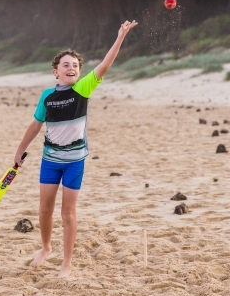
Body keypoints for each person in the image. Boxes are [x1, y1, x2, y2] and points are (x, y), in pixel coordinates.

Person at [14, 20, 138, 278]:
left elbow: (105, 64)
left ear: (79, 72)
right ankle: (46, 248)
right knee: (44, 209)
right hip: (50, 159)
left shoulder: (83, 89)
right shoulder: (47, 96)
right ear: (56, 71)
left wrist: (120, 37)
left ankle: (66, 263)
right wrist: (19, 151)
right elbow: (36, 125)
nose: (71, 68)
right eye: (65, 65)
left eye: (75, 65)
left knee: (67, 211)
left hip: (74, 161)